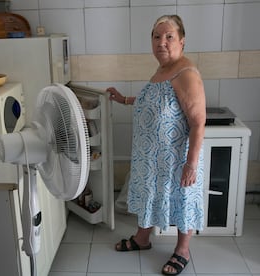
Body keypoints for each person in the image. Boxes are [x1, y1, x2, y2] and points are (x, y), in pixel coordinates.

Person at [107, 14, 205, 275]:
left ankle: (182, 250)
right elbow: (152, 102)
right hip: (151, 158)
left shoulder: (186, 72)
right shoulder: (162, 70)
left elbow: (198, 122)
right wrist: (123, 99)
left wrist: (191, 164)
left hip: (175, 159)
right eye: (156, 36)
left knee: (182, 199)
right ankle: (142, 239)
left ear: (182, 42)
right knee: (150, 196)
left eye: (169, 37)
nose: (162, 42)